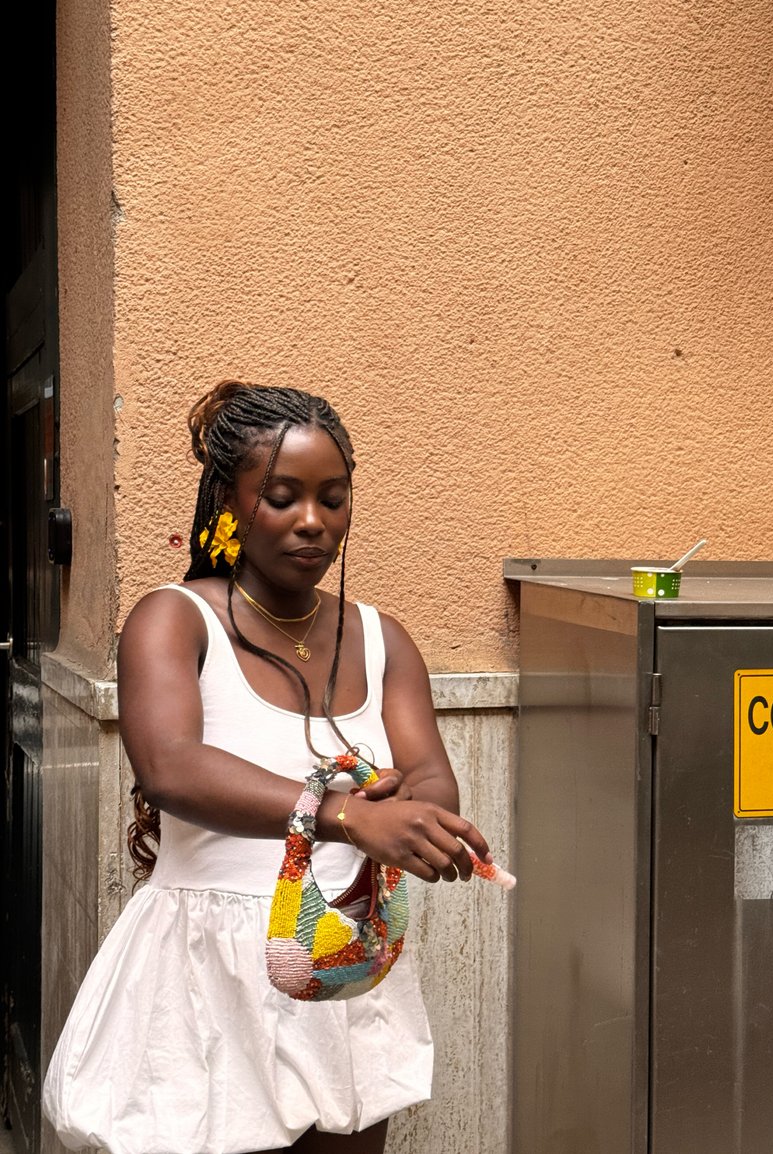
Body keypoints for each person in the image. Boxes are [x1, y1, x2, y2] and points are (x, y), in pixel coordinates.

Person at [43, 380, 494, 1154]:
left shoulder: (384, 639)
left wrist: (421, 818)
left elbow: (429, 776)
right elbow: (172, 767)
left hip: (341, 963)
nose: (313, 522)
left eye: (334, 497)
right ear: (229, 500)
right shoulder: (174, 619)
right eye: (282, 497)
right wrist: (348, 811)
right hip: (206, 969)